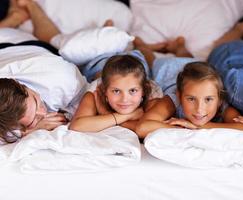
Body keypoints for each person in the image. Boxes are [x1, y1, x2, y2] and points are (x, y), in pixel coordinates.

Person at [135, 22, 243, 142]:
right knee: (161, 64)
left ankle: (180, 48)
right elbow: (205, 77)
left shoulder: (218, 102)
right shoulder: (234, 87)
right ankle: (240, 29)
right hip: (237, 53)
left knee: (194, 75)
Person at [0, 0, 87, 144]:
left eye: (37, 102)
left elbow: (86, 102)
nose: (44, 113)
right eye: (32, 120)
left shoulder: (62, 78)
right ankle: (14, 17)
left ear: (24, 86)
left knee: (55, 41)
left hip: (30, 47)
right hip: (4, 47)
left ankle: (30, 5)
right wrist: (32, 131)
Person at [68, 52, 162, 132]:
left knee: (147, 57)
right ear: (105, 91)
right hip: (98, 64)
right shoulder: (95, 92)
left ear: (143, 91)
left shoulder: (152, 93)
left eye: (133, 90)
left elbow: (145, 129)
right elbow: (76, 126)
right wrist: (127, 116)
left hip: (137, 60)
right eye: (116, 91)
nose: (125, 99)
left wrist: (106, 115)